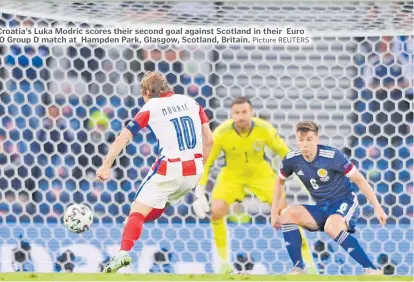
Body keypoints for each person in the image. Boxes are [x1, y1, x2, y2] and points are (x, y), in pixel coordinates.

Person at [96, 71, 214, 273]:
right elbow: (209, 140)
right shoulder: (191, 102)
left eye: (143, 93)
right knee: (147, 210)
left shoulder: (151, 106)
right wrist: (201, 166)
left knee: (136, 210)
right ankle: (133, 225)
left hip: (170, 168)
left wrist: (106, 165)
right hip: (193, 171)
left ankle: (123, 255)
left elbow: (124, 137)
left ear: (149, 92)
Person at [192, 97, 315, 273]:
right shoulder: (221, 133)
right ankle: (223, 264)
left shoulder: (264, 129)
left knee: (286, 214)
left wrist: (305, 176)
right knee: (216, 211)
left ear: (252, 112)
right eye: (236, 113)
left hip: (260, 173)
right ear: (231, 114)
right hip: (232, 175)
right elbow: (208, 161)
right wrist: (200, 191)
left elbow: (284, 152)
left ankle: (307, 264)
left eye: (244, 112)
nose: (240, 116)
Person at [271, 121, 387, 275]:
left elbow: (359, 179)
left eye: (309, 139)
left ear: (317, 139)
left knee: (331, 227)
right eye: (300, 139)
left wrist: (377, 207)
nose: (304, 144)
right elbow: (279, 182)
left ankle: (371, 269)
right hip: (321, 206)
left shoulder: (333, 156)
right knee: (287, 214)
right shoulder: (292, 159)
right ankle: (299, 269)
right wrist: (274, 213)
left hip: (344, 201)